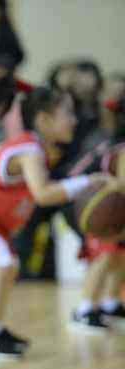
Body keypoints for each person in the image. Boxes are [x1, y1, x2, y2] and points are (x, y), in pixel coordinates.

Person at [0, 75, 108, 361]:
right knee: (2, 263)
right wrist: (87, 183)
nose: (73, 120)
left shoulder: (35, 149)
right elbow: (44, 195)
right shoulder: (29, 150)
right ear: (44, 119)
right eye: (67, 114)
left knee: (9, 266)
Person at [68, 97, 125, 332]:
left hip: (111, 211)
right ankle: (84, 308)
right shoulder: (122, 150)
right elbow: (122, 186)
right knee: (102, 258)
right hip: (95, 209)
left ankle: (110, 303)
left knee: (119, 257)